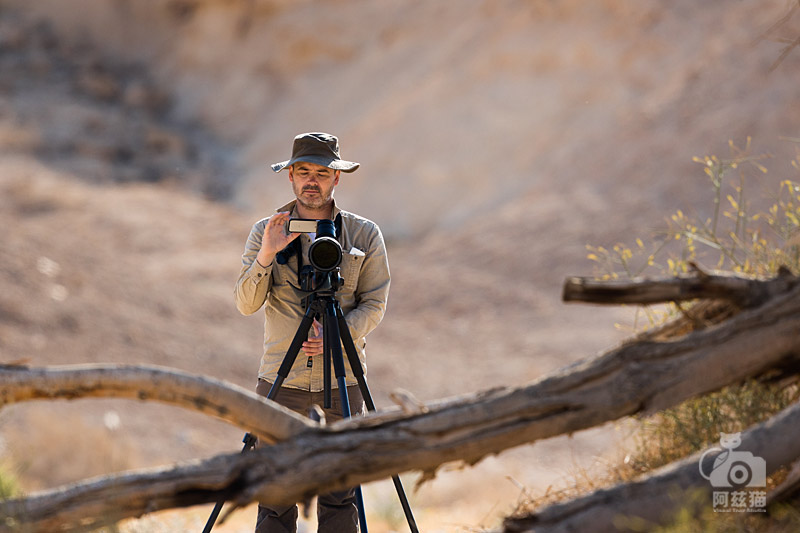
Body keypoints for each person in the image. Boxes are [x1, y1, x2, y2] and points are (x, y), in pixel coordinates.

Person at [234, 132, 390, 533]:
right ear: (289, 176)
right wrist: (268, 252)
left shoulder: (364, 234)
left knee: (340, 500)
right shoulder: (265, 230)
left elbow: (374, 304)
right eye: (303, 171)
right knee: (275, 496)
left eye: (322, 173)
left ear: (336, 178)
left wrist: (336, 336)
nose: (311, 181)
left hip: (343, 380)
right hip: (279, 380)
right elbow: (246, 303)